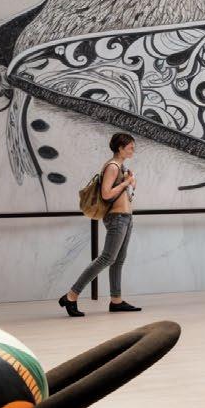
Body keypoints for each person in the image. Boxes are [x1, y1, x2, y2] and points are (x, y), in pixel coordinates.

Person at [59, 133, 141, 316]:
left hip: (126, 217)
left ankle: (116, 301)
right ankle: (71, 296)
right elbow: (106, 194)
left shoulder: (121, 167)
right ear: (120, 148)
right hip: (117, 218)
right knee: (107, 258)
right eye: (130, 147)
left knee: (118, 260)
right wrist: (126, 183)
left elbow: (123, 193)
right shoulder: (112, 166)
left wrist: (131, 183)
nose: (133, 150)